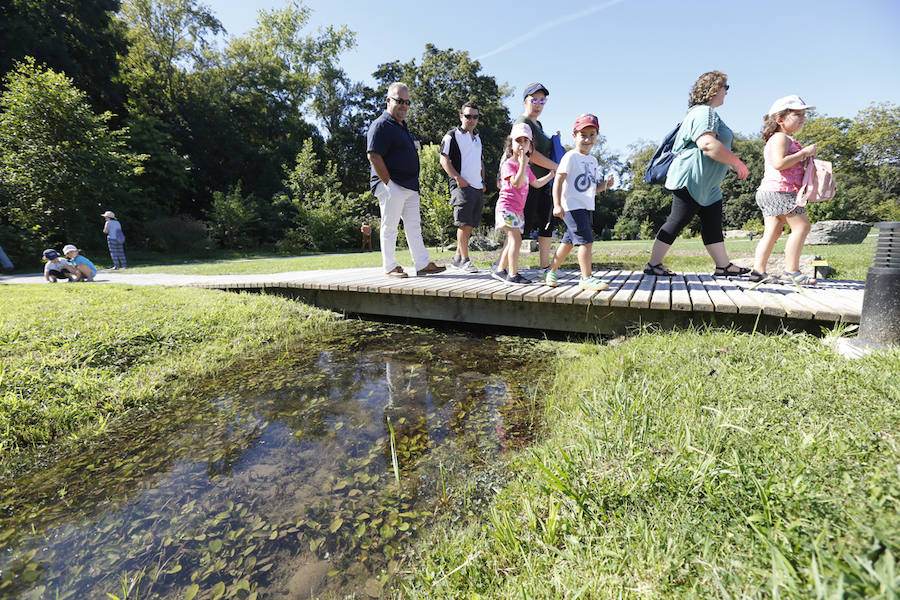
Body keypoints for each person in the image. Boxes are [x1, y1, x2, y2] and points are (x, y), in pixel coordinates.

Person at [645, 71, 751, 278]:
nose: (727, 92)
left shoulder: (703, 112)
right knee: (677, 220)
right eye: (725, 87)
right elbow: (706, 143)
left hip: (707, 184)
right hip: (692, 179)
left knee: (712, 220)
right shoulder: (704, 113)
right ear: (714, 89)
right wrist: (736, 162)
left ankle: (723, 266)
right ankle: (653, 264)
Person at [366, 82, 445, 279]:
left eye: (407, 102)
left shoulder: (401, 126)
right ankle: (389, 266)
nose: (404, 106)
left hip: (409, 185)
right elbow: (374, 156)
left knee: (414, 226)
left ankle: (422, 264)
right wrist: (389, 183)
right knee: (390, 226)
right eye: (399, 101)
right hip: (392, 185)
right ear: (388, 100)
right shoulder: (381, 125)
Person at [750, 95, 819, 285]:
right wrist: (804, 153)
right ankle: (791, 271)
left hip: (770, 191)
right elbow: (779, 163)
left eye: (804, 115)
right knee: (802, 226)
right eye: (798, 115)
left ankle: (758, 271)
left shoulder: (783, 138)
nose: (803, 119)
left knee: (773, 231)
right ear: (780, 119)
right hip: (781, 191)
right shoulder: (780, 137)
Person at [543, 114, 615, 290]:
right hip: (572, 205)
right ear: (574, 136)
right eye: (583, 135)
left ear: (597, 136)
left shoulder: (593, 160)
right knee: (586, 241)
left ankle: (551, 270)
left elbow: (591, 186)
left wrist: (606, 185)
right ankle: (586, 277)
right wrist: (557, 204)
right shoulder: (570, 156)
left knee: (568, 243)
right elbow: (558, 181)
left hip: (585, 206)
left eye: (592, 135)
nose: (587, 139)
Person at [491, 123, 555, 285]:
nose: (521, 144)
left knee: (512, 240)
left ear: (530, 146)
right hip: (506, 209)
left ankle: (500, 270)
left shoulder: (526, 168)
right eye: (518, 140)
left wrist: (551, 175)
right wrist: (523, 164)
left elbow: (537, 183)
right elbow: (517, 183)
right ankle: (512, 274)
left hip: (517, 211)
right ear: (511, 144)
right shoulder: (509, 165)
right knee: (516, 240)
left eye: (525, 141)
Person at [514, 82, 559, 272]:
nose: (539, 104)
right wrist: (557, 167)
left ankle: (544, 266)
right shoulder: (522, 123)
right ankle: (506, 266)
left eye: (542, 100)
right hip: (528, 183)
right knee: (521, 227)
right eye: (534, 100)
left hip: (546, 182)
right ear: (525, 101)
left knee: (546, 223)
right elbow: (529, 153)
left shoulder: (537, 125)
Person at [440, 100, 485, 273]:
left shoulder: (478, 139)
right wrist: (458, 178)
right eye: (468, 116)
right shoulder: (452, 135)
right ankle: (465, 261)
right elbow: (444, 159)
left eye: (475, 117)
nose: (471, 120)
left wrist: (483, 182)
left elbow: (480, 161)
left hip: (476, 186)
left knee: (470, 225)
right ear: (461, 116)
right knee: (463, 223)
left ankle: (458, 258)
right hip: (461, 186)